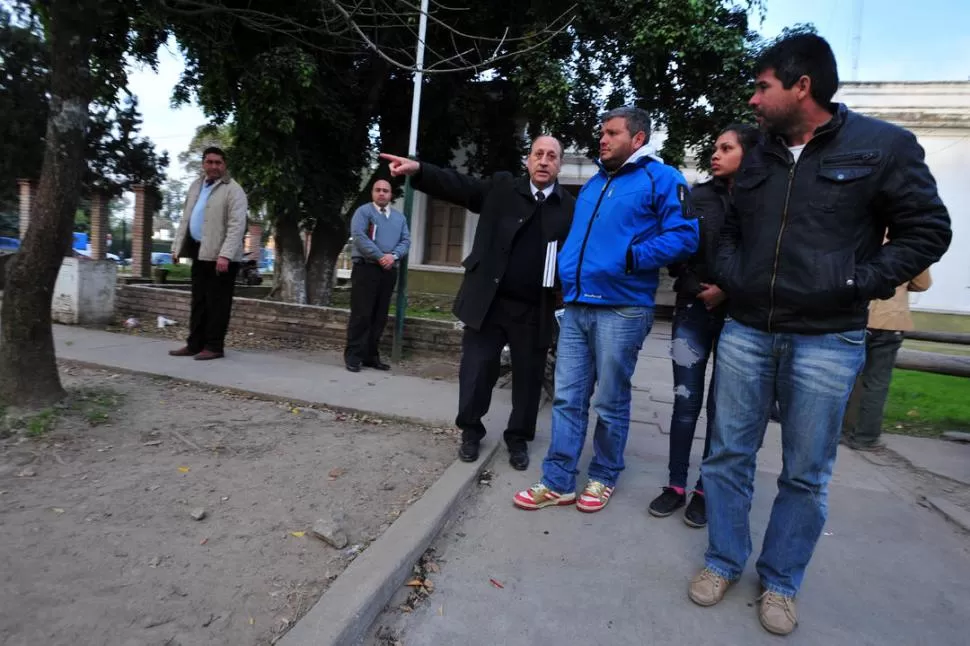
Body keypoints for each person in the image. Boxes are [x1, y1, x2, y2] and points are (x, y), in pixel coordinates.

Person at [690, 34, 952, 636]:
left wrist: (857, 283)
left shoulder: (883, 147)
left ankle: (781, 581)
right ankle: (723, 559)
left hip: (827, 340)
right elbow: (730, 231)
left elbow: (928, 231)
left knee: (806, 471)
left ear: (801, 86)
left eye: (762, 87)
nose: (753, 101)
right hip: (748, 330)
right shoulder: (758, 155)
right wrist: (734, 277)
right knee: (727, 454)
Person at [513, 106, 698, 513]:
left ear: (637, 138)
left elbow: (685, 236)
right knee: (567, 398)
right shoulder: (595, 183)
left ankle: (602, 475)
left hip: (623, 307)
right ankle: (558, 480)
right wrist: (566, 275)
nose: (603, 139)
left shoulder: (662, 178)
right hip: (578, 306)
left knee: (611, 400)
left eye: (612, 133)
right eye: (602, 132)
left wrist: (631, 258)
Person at [380, 136, 575, 469]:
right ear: (528, 160)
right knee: (476, 371)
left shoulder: (570, 207)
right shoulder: (502, 188)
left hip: (534, 308)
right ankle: (470, 432)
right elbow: (460, 186)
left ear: (560, 165)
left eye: (552, 156)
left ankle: (518, 439)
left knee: (528, 380)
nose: (544, 161)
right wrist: (420, 170)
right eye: (538, 154)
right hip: (489, 302)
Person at [647, 124, 760, 528]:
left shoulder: (762, 199)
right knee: (684, 399)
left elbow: (763, 257)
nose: (715, 154)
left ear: (748, 154)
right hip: (690, 313)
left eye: (726, 148)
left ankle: (704, 489)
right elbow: (676, 248)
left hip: (739, 318)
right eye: (715, 147)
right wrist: (696, 287)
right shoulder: (696, 197)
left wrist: (726, 290)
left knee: (720, 409)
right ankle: (675, 484)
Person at [169, 147, 249, 361]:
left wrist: (225, 255)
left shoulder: (234, 190)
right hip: (199, 250)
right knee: (198, 301)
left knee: (218, 303)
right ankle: (194, 344)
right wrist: (176, 247)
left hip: (221, 256)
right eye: (209, 162)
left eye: (218, 162)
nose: (214, 166)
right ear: (203, 163)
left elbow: (236, 226)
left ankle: (214, 346)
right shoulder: (196, 186)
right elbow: (185, 218)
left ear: (225, 165)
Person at [841, 263, 932, 450]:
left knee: (844, 376)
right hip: (891, 320)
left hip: (855, 316)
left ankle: (838, 431)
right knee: (877, 382)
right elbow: (922, 284)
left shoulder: (862, 235)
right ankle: (865, 437)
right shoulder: (906, 244)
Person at [344, 179, 411, 372]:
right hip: (366, 269)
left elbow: (406, 240)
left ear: (391, 194)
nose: (382, 193)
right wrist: (380, 256)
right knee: (361, 314)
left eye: (385, 191)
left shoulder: (399, 218)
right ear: (372, 193)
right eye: (378, 190)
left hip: (389, 270)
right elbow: (359, 236)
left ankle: (371, 356)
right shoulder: (363, 212)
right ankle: (353, 356)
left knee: (379, 316)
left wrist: (394, 255)